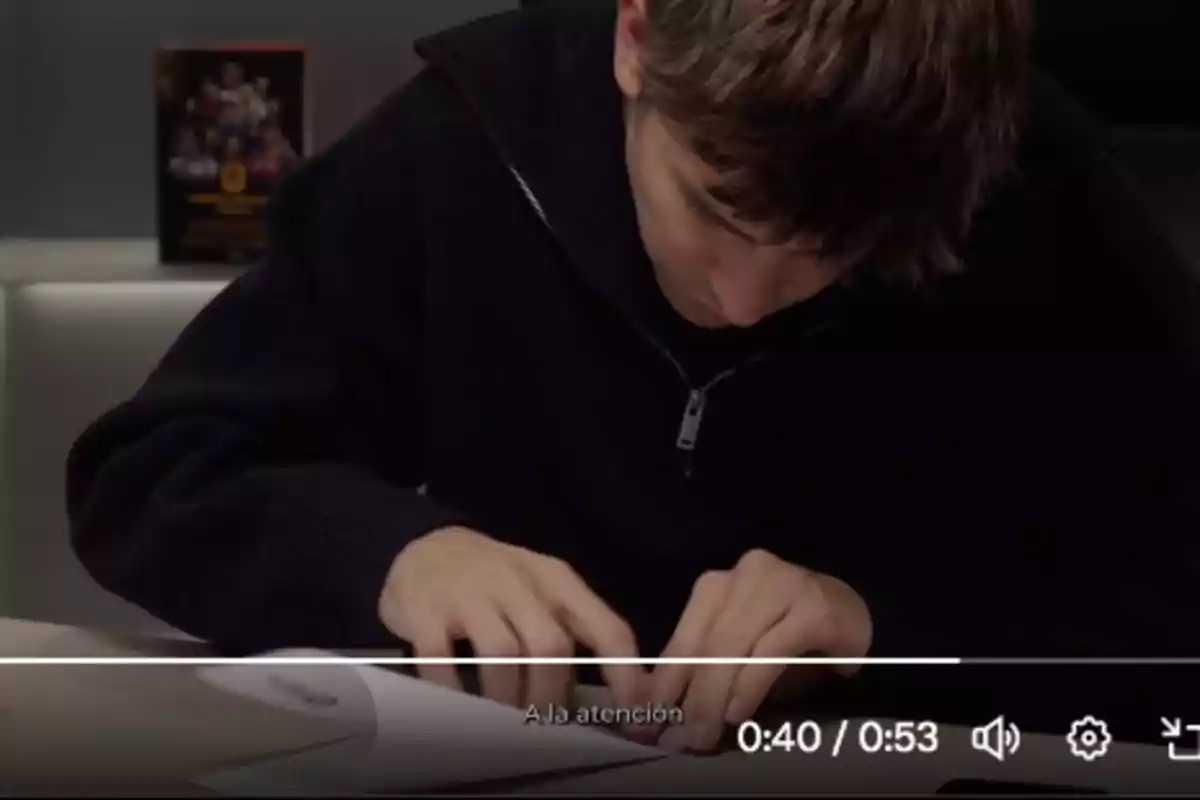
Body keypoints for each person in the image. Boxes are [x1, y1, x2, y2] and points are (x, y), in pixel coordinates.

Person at [67, 0, 1199, 752]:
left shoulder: (1034, 195)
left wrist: (881, 627)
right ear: (636, 39)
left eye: (840, 251)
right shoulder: (463, 148)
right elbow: (150, 470)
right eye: (714, 207)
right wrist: (392, 555)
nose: (748, 301)